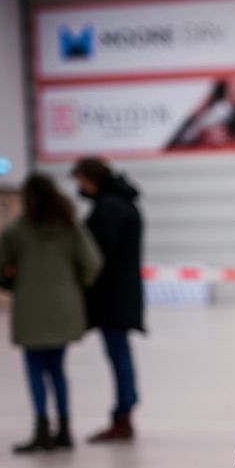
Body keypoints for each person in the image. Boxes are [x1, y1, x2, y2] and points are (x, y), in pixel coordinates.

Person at [0, 174, 102, 453]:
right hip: (64, 309)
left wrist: (14, 285)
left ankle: (41, 430)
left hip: (30, 310)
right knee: (58, 370)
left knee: (36, 371)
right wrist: (74, 287)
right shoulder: (70, 229)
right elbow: (92, 263)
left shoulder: (16, 232)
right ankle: (64, 430)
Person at [71, 157, 144, 442]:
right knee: (119, 354)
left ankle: (123, 414)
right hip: (120, 295)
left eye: (81, 182)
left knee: (118, 355)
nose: (80, 188)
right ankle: (123, 412)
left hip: (112, 297)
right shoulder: (122, 204)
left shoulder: (110, 208)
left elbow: (97, 255)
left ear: (93, 179)